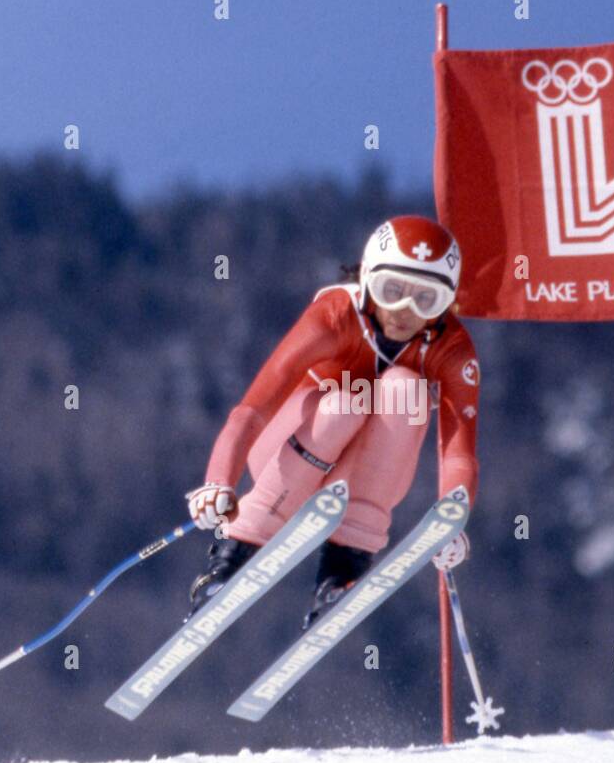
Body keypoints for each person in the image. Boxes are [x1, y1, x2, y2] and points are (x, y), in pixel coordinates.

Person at [184, 215, 480, 628]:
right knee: (344, 404)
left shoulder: (451, 348)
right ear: (368, 280)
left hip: (361, 477)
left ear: (445, 304)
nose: (404, 312)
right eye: (391, 290)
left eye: (425, 299)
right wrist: (218, 482)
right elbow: (251, 411)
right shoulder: (335, 316)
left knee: (405, 389)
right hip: (289, 448)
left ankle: (343, 571)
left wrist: (450, 520)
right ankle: (231, 559)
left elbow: (458, 452)